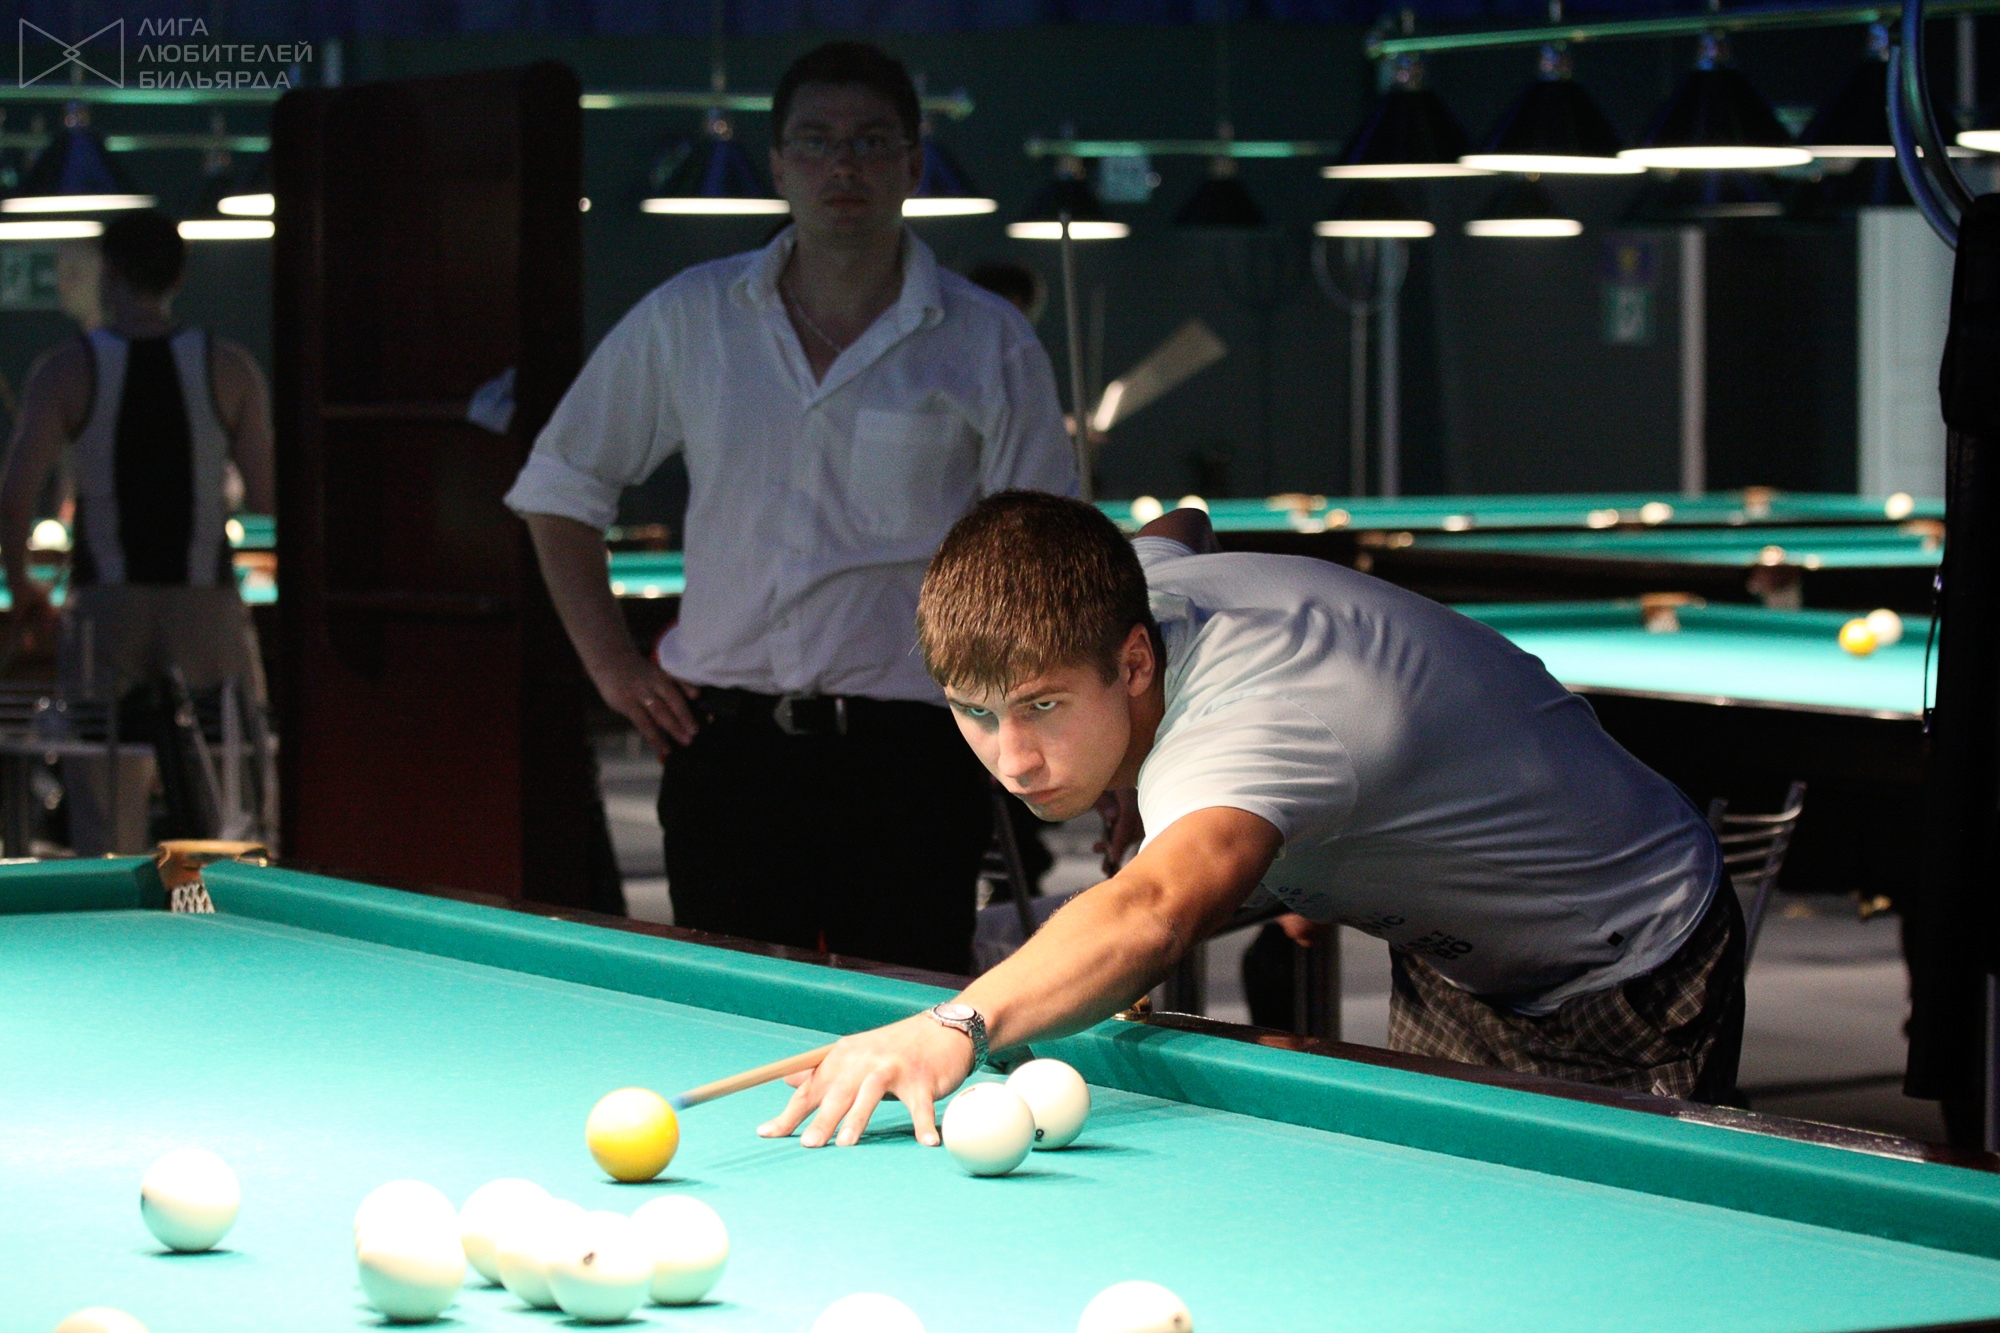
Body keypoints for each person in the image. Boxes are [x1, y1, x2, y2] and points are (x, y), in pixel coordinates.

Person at [757, 492, 1742, 1149]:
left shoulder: (1249, 728)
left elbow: (1153, 913)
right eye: (975, 712)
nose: (1012, 758)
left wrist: (956, 1025)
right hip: (1450, 955)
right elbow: (1182, 523)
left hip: (1625, 948)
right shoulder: (1126, 588)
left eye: (1043, 706)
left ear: (1133, 662)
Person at [506, 42, 1076, 974]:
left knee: (906, 1016)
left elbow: (1046, 555)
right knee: (731, 1018)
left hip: (911, 756)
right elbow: (558, 489)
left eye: (870, 140)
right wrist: (611, 667)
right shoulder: (691, 316)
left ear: (912, 164)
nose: (842, 164)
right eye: (815, 141)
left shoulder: (986, 340)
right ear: (777, 166)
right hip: (728, 754)